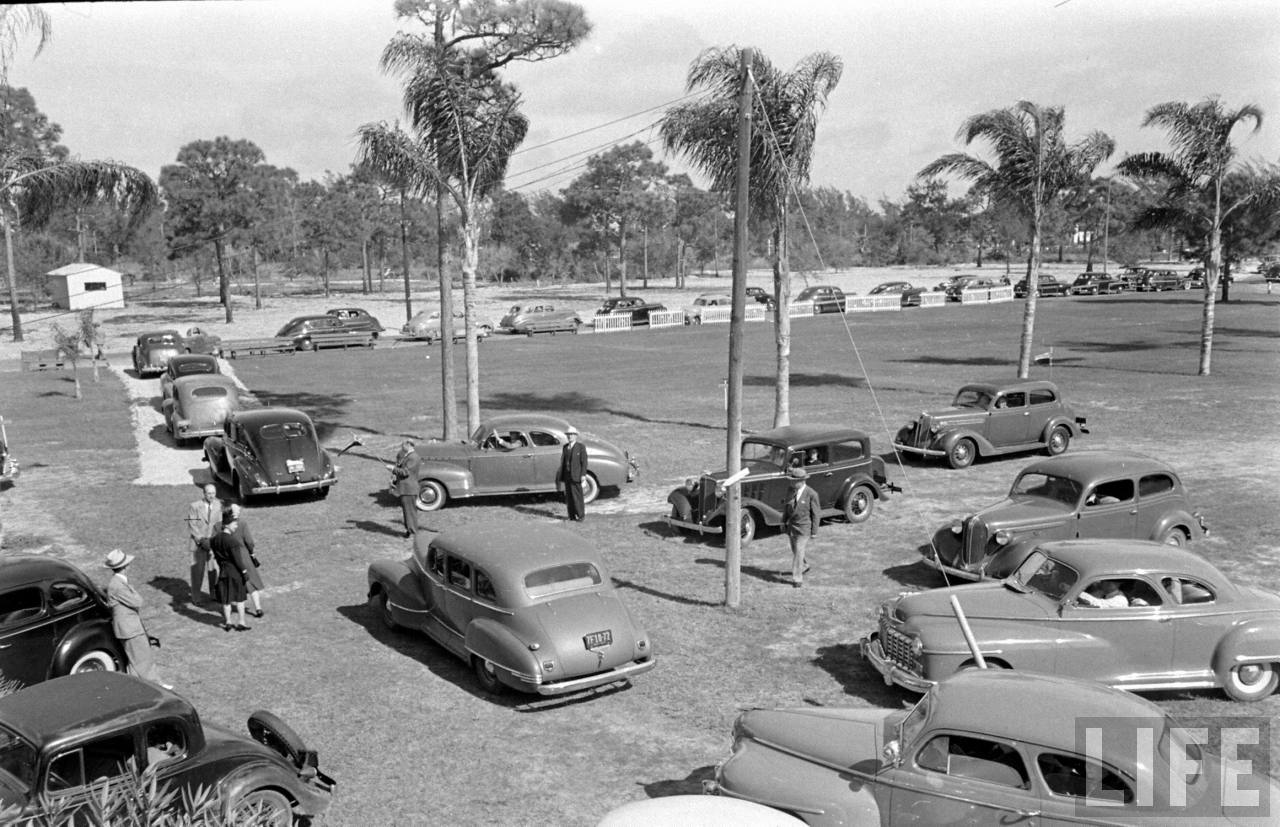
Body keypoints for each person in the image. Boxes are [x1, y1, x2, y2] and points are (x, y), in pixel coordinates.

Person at [104, 549, 171, 689]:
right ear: (125, 566)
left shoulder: (117, 583)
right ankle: (156, 686)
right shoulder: (118, 585)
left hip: (128, 627)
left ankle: (135, 687)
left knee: (134, 661)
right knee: (143, 658)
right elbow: (138, 601)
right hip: (130, 628)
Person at [214, 503, 264, 618]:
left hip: (227, 561)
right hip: (244, 557)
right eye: (237, 511)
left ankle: (228, 613)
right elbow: (249, 542)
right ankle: (258, 608)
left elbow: (214, 542)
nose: (239, 513)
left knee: (229, 587)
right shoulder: (242, 524)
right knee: (251, 584)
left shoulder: (217, 526)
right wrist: (252, 553)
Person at [209, 509, 252, 631]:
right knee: (240, 598)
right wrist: (244, 572)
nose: (236, 525)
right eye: (234, 523)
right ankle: (241, 622)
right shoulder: (232, 541)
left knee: (226, 599)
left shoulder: (214, 540)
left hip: (223, 571)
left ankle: (228, 622)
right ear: (227, 524)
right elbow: (237, 560)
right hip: (234, 572)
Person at [781, 467, 821, 588]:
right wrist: (783, 522)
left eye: (793, 481)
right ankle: (804, 566)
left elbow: (816, 514)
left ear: (802, 481)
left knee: (798, 551)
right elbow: (787, 508)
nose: (791, 483)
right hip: (792, 527)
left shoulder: (812, 494)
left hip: (804, 528)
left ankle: (797, 579)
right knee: (795, 551)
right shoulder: (790, 490)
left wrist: (814, 531)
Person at [185, 484, 221, 603]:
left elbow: (219, 525)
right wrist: (201, 539)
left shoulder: (218, 505)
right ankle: (196, 597)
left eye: (213, 493)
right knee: (197, 572)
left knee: (213, 570)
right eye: (209, 493)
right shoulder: (194, 506)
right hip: (198, 545)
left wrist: (214, 541)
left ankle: (214, 594)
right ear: (204, 494)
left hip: (212, 544)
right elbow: (192, 525)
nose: (212, 496)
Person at [392, 439, 421, 537]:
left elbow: (405, 472)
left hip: (409, 489)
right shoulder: (408, 456)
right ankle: (409, 530)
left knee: (410, 511)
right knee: (407, 511)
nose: (401, 446)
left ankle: (412, 532)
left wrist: (393, 469)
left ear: (409, 445)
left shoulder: (413, 457)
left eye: (403, 445)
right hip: (406, 488)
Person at [558, 425, 588, 521]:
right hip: (567, 476)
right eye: (568, 435)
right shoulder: (565, 447)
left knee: (577, 497)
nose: (570, 436)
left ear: (576, 436)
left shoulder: (580, 447)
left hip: (576, 475)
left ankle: (581, 516)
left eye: (571, 434)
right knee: (569, 497)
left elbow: (584, 462)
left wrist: (583, 474)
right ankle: (571, 516)